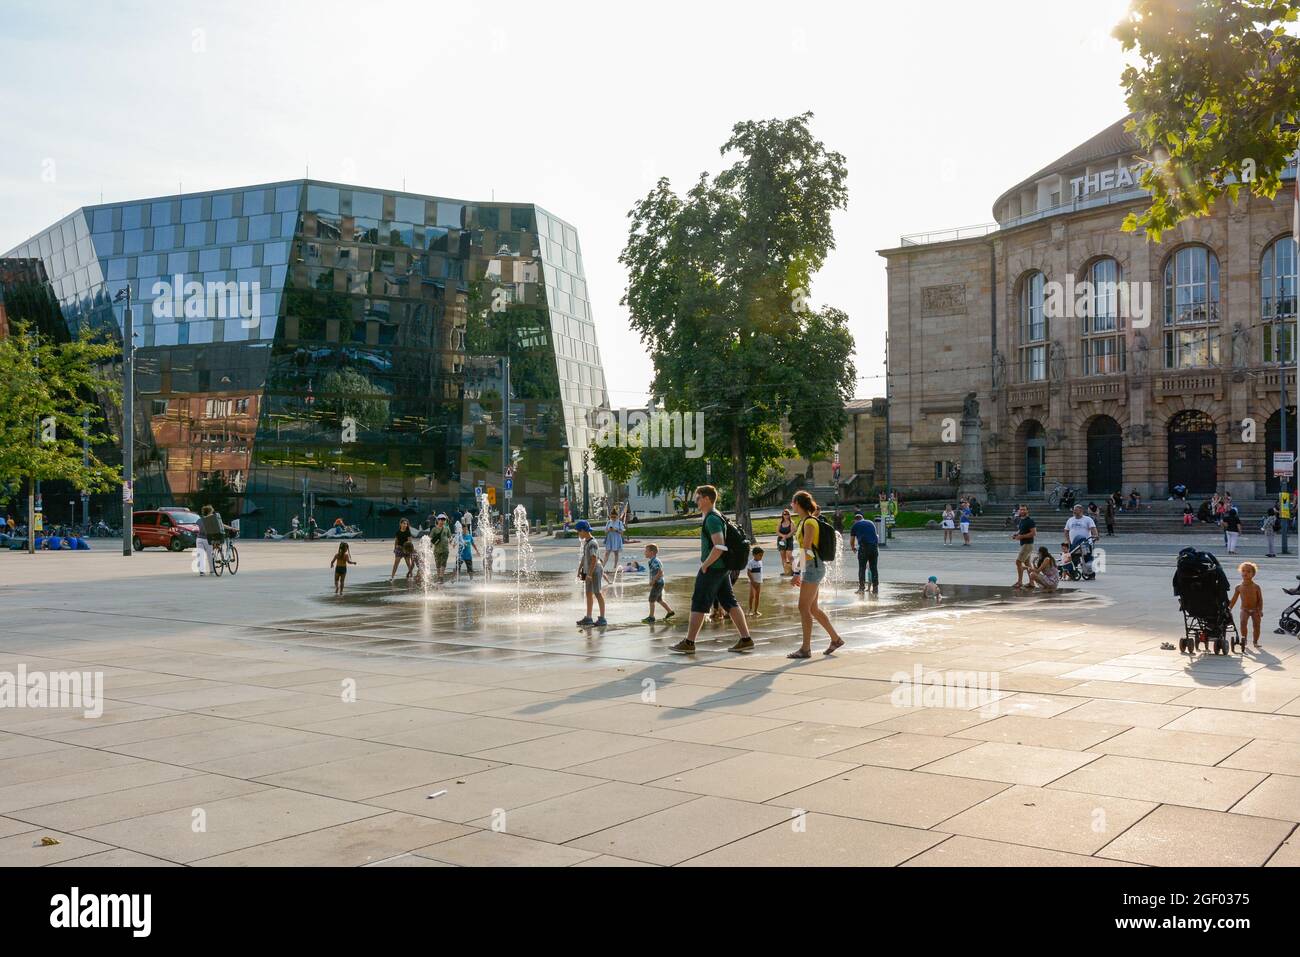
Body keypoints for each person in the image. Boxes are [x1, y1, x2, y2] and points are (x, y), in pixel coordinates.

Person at [669, 485, 754, 654]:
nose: (696, 501)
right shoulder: (717, 516)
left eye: (698, 497)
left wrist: (705, 565)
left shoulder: (712, 519)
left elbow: (719, 546)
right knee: (729, 602)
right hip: (722, 569)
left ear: (707, 499)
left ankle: (689, 642)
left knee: (699, 602)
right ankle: (746, 639)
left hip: (713, 569)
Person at [786, 489, 845, 659]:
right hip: (812, 567)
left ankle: (805, 649)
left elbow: (807, 549)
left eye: (793, 502)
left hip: (813, 568)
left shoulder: (810, 523)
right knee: (813, 608)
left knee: (803, 607)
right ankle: (836, 639)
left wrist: (797, 572)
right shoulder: (805, 521)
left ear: (798, 504)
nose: (791, 505)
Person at [574, 519, 607, 627]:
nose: (578, 534)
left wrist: (589, 574)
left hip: (594, 570)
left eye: (578, 532)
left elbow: (593, 559)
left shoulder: (592, 543)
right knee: (588, 593)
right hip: (587, 571)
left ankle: (602, 618)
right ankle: (588, 617)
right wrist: (580, 570)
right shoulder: (586, 542)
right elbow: (584, 557)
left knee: (597, 592)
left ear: (583, 530)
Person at [1229, 561, 1263, 649]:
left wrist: (1260, 609)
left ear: (1253, 574)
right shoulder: (1239, 587)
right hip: (1244, 609)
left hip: (1255, 609)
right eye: (1243, 571)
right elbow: (1234, 600)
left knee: (1256, 625)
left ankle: (1255, 641)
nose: (1245, 573)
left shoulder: (1256, 587)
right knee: (1243, 623)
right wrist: (1229, 608)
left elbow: (1260, 600)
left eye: (1248, 571)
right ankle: (1244, 640)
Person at [641, 543, 674, 624]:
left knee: (651, 599)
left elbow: (660, 572)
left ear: (651, 552)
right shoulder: (652, 561)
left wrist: (653, 581)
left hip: (658, 583)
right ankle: (670, 612)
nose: (644, 552)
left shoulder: (655, 561)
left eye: (646, 551)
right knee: (659, 599)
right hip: (659, 582)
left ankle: (651, 617)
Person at [849, 510, 880, 595]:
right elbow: (876, 536)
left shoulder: (855, 525)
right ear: (863, 518)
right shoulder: (870, 522)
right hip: (874, 547)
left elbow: (851, 540)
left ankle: (861, 588)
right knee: (874, 568)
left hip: (864, 547)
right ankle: (875, 588)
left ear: (855, 520)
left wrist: (853, 548)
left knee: (862, 568)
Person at [196, 504, 227, 576]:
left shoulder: (199, 520)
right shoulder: (212, 520)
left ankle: (202, 572)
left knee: (200, 555)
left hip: (199, 539)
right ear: (209, 512)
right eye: (212, 512)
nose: (213, 513)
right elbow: (222, 525)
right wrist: (232, 528)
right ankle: (212, 571)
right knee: (210, 555)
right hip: (208, 539)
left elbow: (196, 528)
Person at [1011, 504, 1037, 589]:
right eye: (1021, 510)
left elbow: (1033, 533)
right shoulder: (1021, 520)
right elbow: (1021, 530)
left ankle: (1020, 582)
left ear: (1027, 511)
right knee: (1027, 563)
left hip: (1027, 544)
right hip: (1024, 544)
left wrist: (1021, 536)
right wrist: (1017, 534)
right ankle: (1032, 583)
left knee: (1018, 562)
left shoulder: (1030, 521)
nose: (1022, 511)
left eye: (1024, 510)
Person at [603, 503, 627, 572]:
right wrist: (608, 530)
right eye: (611, 517)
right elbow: (605, 532)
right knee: (607, 552)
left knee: (616, 553)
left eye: (614, 517)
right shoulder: (608, 522)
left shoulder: (619, 523)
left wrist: (615, 530)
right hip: (609, 539)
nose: (613, 518)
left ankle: (615, 566)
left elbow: (622, 532)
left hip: (616, 539)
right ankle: (603, 566)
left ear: (617, 516)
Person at [429, 513, 452, 582]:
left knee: (443, 563)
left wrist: (451, 540)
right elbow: (430, 538)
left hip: (445, 548)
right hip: (437, 549)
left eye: (443, 519)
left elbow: (450, 536)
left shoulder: (447, 528)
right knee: (438, 564)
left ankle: (441, 576)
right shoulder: (434, 529)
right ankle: (439, 576)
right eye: (441, 519)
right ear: (437, 520)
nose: (442, 521)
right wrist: (430, 544)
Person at [746, 546, 764, 617]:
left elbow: (760, 572)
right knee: (752, 596)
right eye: (760, 555)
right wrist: (752, 581)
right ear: (754, 555)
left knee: (757, 596)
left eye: (762, 555)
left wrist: (760, 581)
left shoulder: (760, 562)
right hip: (753, 582)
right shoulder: (751, 562)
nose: (761, 557)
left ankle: (756, 610)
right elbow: (748, 572)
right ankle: (750, 609)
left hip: (759, 582)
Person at [776, 509, 795, 576]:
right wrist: (783, 536)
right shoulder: (780, 522)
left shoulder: (791, 523)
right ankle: (786, 571)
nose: (786, 515)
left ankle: (794, 570)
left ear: (789, 515)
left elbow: (792, 532)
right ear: (782, 515)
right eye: (784, 514)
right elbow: (777, 532)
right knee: (783, 556)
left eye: (787, 514)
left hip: (789, 540)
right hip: (781, 540)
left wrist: (786, 537)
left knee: (789, 555)